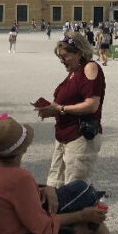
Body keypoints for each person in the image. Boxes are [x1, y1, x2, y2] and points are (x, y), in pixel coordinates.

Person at [35, 31, 106, 186]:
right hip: (63, 136)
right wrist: (52, 109)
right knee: (54, 185)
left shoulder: (90, 67)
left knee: (74, 188)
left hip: (80, 136)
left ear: (79, 53)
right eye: (60, 57)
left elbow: (92, 105)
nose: (61, 61)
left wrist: (60, 108)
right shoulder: (73, 73)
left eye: (65, 56)